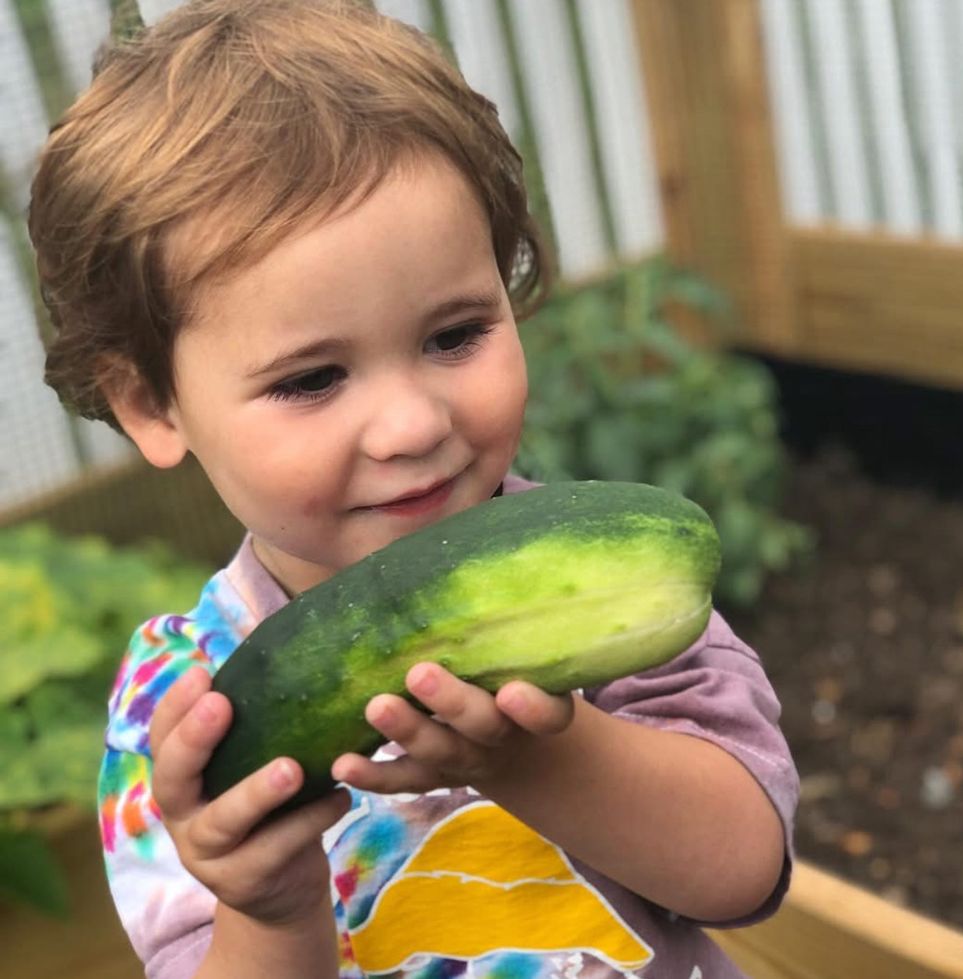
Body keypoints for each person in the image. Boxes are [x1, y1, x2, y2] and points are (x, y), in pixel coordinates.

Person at [28, 2, 798, 977]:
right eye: (313, 378)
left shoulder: (590, 573)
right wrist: (268, 909)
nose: (412, 424)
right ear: (151, 404)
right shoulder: (182, 706)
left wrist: (538, 759)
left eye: (455, 335)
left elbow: (743, 867)